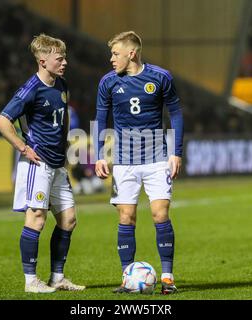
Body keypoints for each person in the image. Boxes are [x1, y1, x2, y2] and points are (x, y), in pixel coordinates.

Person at [94, 31, 184, 294]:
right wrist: (100, 154)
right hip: (123, 161)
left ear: (131, 53)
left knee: (160, 214)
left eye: (116, 54)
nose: (111, 59)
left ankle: (167, 278)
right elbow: (101, 119)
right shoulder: (107, 82)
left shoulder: (160, 77)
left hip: (157, 159)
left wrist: (175, 152)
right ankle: (127, 278)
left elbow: (176, 114)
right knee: (126, 216)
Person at [0, 34, 85, 294]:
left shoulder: (61, 84)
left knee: (68, 219)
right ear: (43, 60)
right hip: (39, 163)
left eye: (64, 57)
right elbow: (2, 122)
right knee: (36, 218)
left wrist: (66, 142)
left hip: (58, 164)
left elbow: (64, 116)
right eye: (60, 58)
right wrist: (23, 148)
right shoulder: (30, 89)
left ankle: (57, 277)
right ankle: (31, 281)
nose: (65, 62)